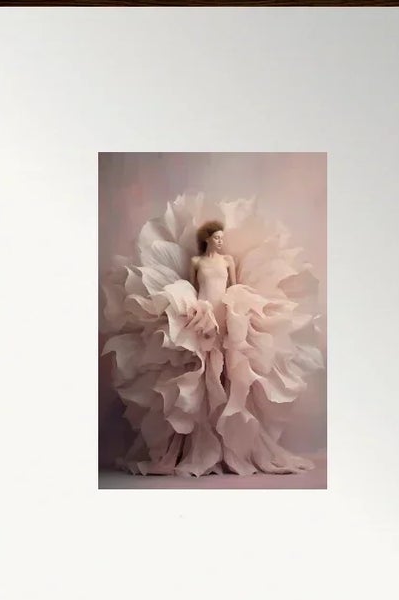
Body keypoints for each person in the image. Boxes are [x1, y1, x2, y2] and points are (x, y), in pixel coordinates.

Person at [102, 195, 324, 478]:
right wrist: (196, 311)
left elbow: (231, 285)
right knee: (205, 376)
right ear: (208, 239)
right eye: (217, 237)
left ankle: (231, 447)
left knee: (229, 375)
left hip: (227, 312)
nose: (221, 241)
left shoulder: (228, 260)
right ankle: (200, 446)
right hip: (204, 314)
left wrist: (235, 311)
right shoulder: (197, 261)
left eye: (222, 237)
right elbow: (195, 287)